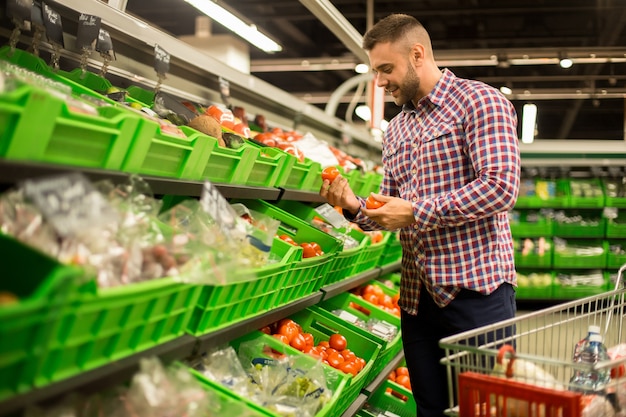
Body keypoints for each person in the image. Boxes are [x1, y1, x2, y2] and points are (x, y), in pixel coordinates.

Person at [320, 13, 521, 417]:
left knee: (484, 410)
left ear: (417, 54)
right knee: (430, 409)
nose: (379, 82)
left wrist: (416, 212)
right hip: (416, 300)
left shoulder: (478, 102)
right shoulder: (396, 129)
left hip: (476, 293)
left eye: (386, 69)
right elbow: (388, 210)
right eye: (376, 71)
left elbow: (501, 186)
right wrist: (354, 206)